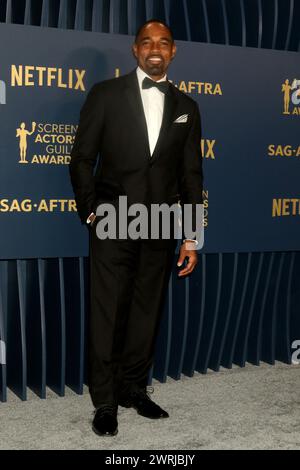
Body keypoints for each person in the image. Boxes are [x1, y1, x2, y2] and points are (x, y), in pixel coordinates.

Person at [69, 19, 203, 437]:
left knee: (147, 313)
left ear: (174, 51)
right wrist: (91, 211)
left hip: (161, 224)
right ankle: (105, 401)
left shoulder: (187, 106)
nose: (155, 49)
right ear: (135, 50)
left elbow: (192, 177)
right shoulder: (106, 95)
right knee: (107, 313)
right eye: (147, 42)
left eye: (163, 42)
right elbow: (80, 159)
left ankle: (134, 389)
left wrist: (191, 236)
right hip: (112, 220)